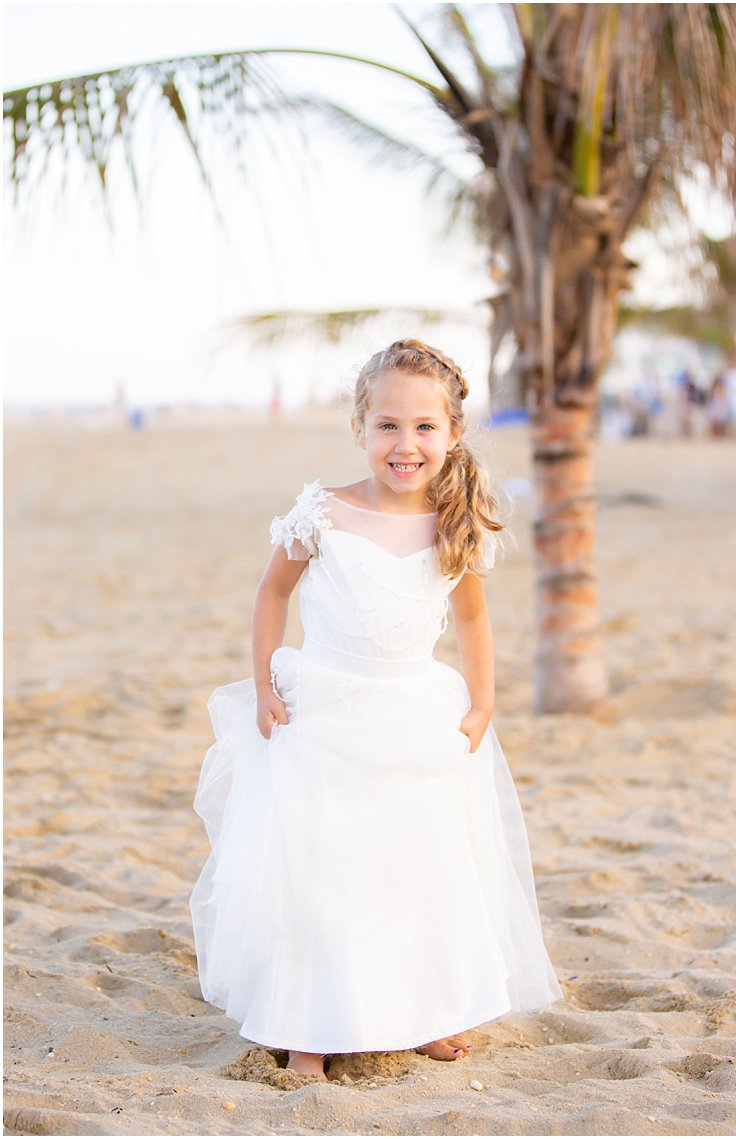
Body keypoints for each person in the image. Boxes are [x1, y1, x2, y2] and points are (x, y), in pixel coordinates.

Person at [191, 340, 561, 1080]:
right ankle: (308, 1028)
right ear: (360, 428)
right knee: (323, 868)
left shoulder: (452, 523)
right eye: (388, 425)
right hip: (322, 713)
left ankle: (421, 1009)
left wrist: (483, 700)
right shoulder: (324, 512)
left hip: (416, 715)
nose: (405, 444)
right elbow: (272, 593)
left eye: (424, 427)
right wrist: (263, 683)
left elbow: (474, 622)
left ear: (453, 434)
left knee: (414, 866)